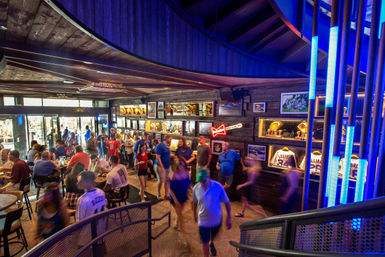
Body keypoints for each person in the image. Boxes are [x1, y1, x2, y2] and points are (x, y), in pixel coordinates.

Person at [192, 169, 232, 257]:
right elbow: (194, 202)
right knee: (204, 242)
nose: (201, 183)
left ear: (208, 177)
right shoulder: (196, 187)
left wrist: (229, 217)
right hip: (203, 220)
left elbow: (226, 202)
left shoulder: (218, 186)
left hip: (216, 219)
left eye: (203, 180)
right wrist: (194, 214)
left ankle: (212, 242)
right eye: (200, 181)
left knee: (212, 235)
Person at [169, 155, 190, 232]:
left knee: (180, 211)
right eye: (180, 164)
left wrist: (192, 191)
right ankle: (181, 228)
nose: (182, 166)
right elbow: (170, 188)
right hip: (176, 196)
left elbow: (189, 182)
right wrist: (175, 200)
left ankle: (177, 223)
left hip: (183, 195)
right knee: (180, 213)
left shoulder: (186, 172)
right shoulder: (172, 173)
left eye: (183, 164)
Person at [155, 135, 172, 199]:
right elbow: (158, 157)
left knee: (167, 180)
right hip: (161, 166)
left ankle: (166, 194)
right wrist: (162, 167)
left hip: (167, 166)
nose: (171, 140)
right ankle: (158, 193)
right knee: (161, 180)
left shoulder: (167, 146)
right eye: (170, 139)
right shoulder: (160, 145)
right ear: (167, 138)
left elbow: (168, 155)